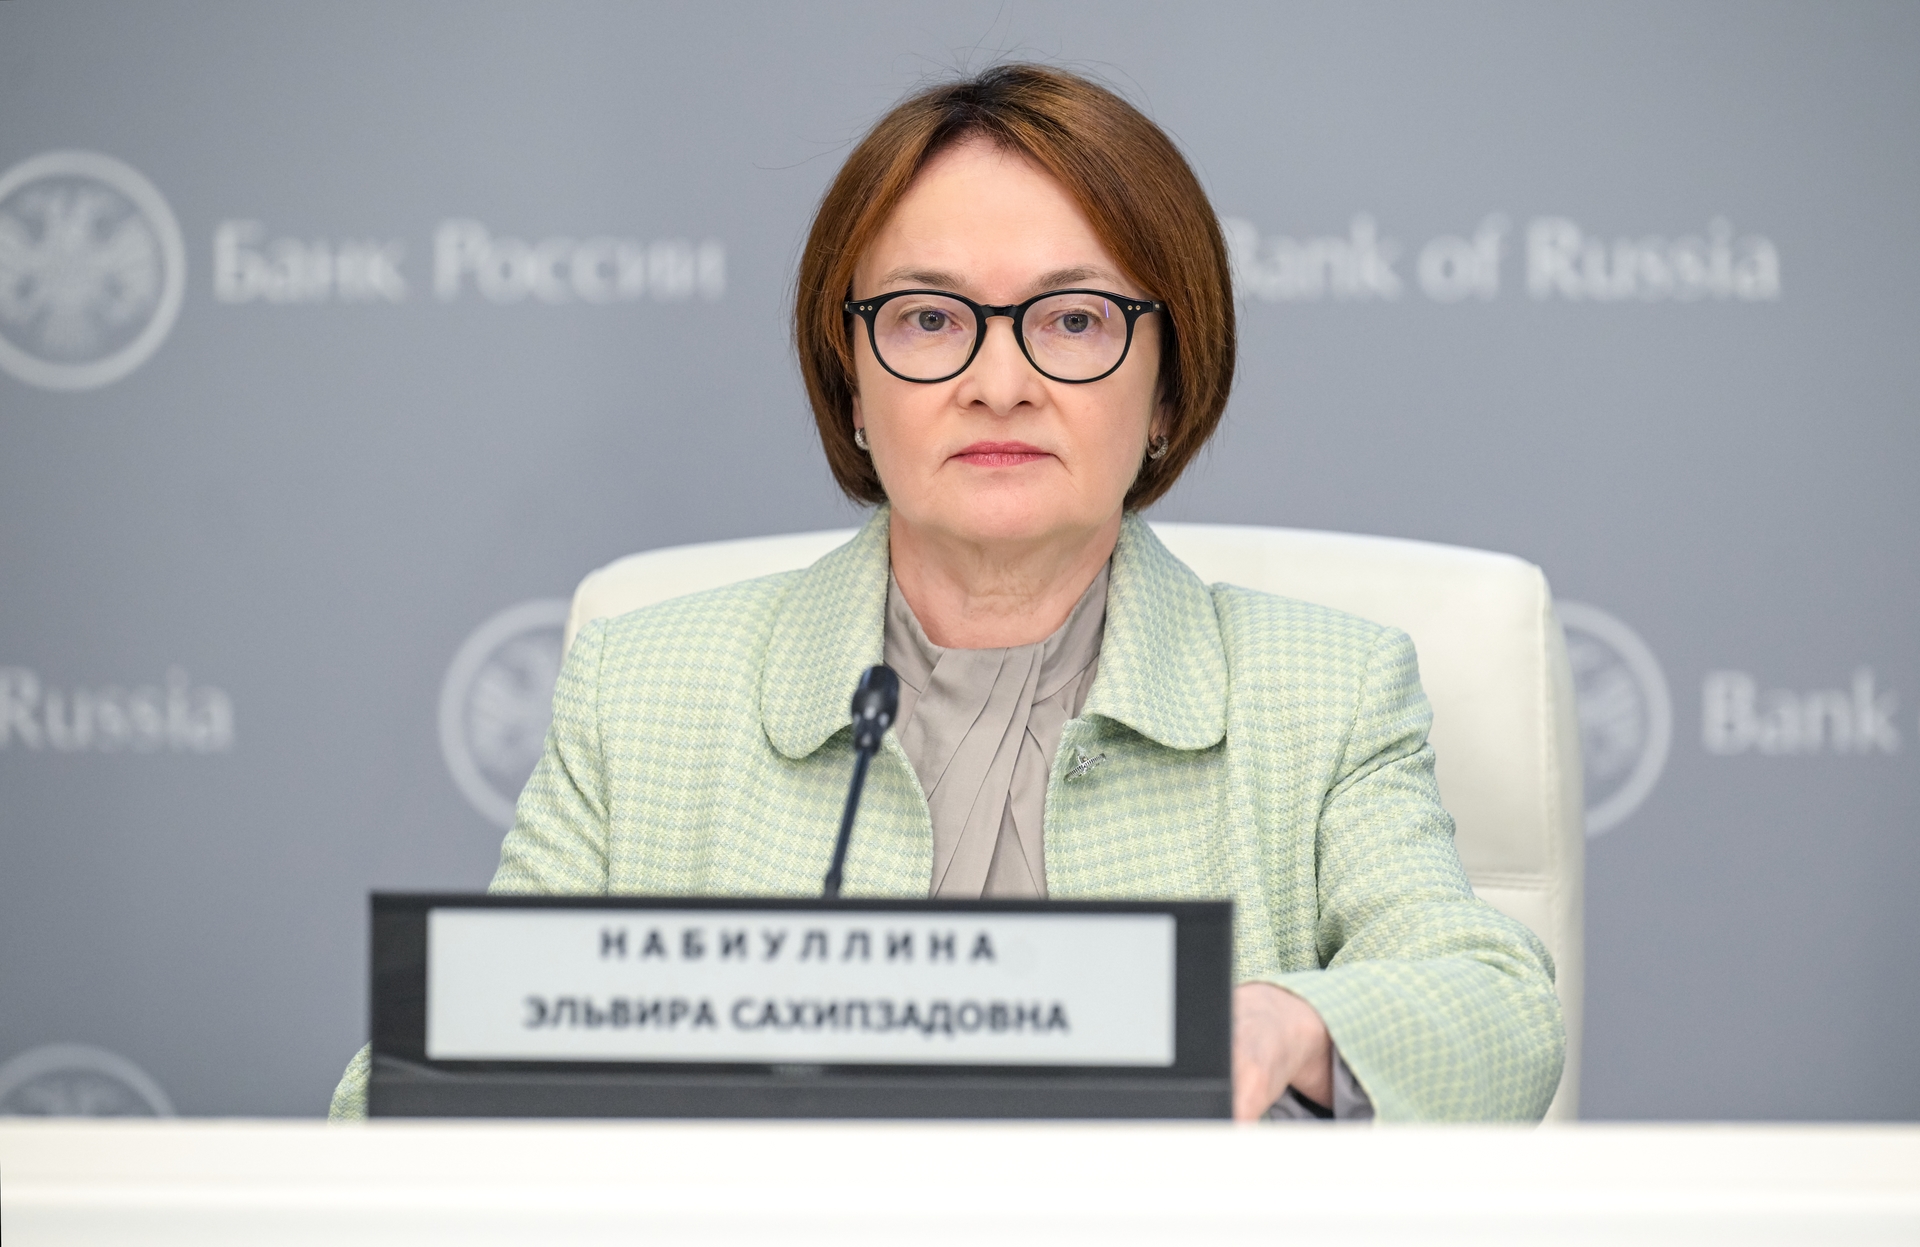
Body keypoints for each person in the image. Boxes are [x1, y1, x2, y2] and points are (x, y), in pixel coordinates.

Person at [331, 63, 1563, 1122]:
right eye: (929, 319)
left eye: (1072, 320)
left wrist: (1285, 1021)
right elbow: (399, 1090)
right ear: (853, 383)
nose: (999, 380)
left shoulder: (1326, 691)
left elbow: (1499, 1014)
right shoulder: (642, 690)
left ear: (1169, 386)